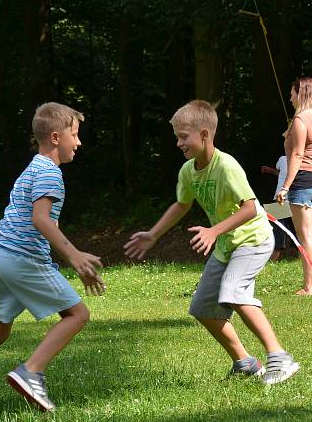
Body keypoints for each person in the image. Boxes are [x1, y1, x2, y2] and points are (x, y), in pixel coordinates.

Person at [0, 102, 105, 414]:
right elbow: (41, 220)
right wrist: (74, 255)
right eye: (75, 134)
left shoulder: (33, 168)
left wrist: (72, 258)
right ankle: (32, 371)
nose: (78, 142)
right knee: (78, 315)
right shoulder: (50, 174)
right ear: (56, 137)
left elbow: (45, 224)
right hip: (21, 259)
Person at [124, 100, 299, 385]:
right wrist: (153, 234)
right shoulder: (188, 172)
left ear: (204, 134)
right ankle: (245, 362)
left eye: (184, 137)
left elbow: (251, 208)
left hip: (253, 239)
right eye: (177, 137)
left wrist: (214, 230)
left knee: (233, 291)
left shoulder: (226, 166)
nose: (179, 143)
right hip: (227, 245)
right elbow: (181, 205)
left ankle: (280, 356)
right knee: (203, 308)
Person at [275, 75, 312, 295]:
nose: (290, 98)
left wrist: (285, 187)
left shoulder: (300, 120)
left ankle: (310, 287)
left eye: (292, 93)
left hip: (304, 182)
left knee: (304, 236)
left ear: (301, 94)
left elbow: (297, 155)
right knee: (309, 236)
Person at [260, 155, 296, 260]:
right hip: (296, 199)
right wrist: (271, 171)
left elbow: (283, 173)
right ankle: (301, 257)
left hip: (281, 199)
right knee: (298, 230)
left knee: (277, 229)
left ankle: (273, 260)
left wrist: (270, 170)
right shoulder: (305, 160)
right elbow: (284, 174)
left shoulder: (283, 159)